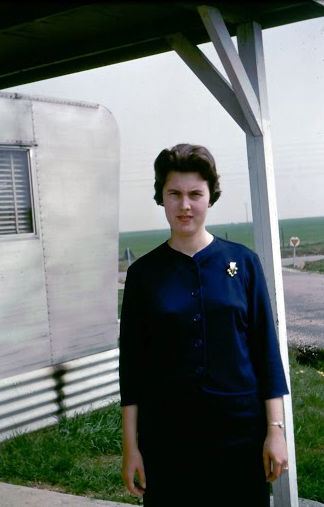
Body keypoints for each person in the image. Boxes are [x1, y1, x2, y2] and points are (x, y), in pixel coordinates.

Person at [119, 143, 289, 507]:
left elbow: (265, 352)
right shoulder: (143, 275)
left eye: (195, 194)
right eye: (174, 194)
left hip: (240, 435)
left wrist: (275, 430)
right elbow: (132, 370)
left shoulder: (243, 263)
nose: (185, 205)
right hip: (168, 439)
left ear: (210, 197)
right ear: (161, 198)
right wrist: (131, 447)